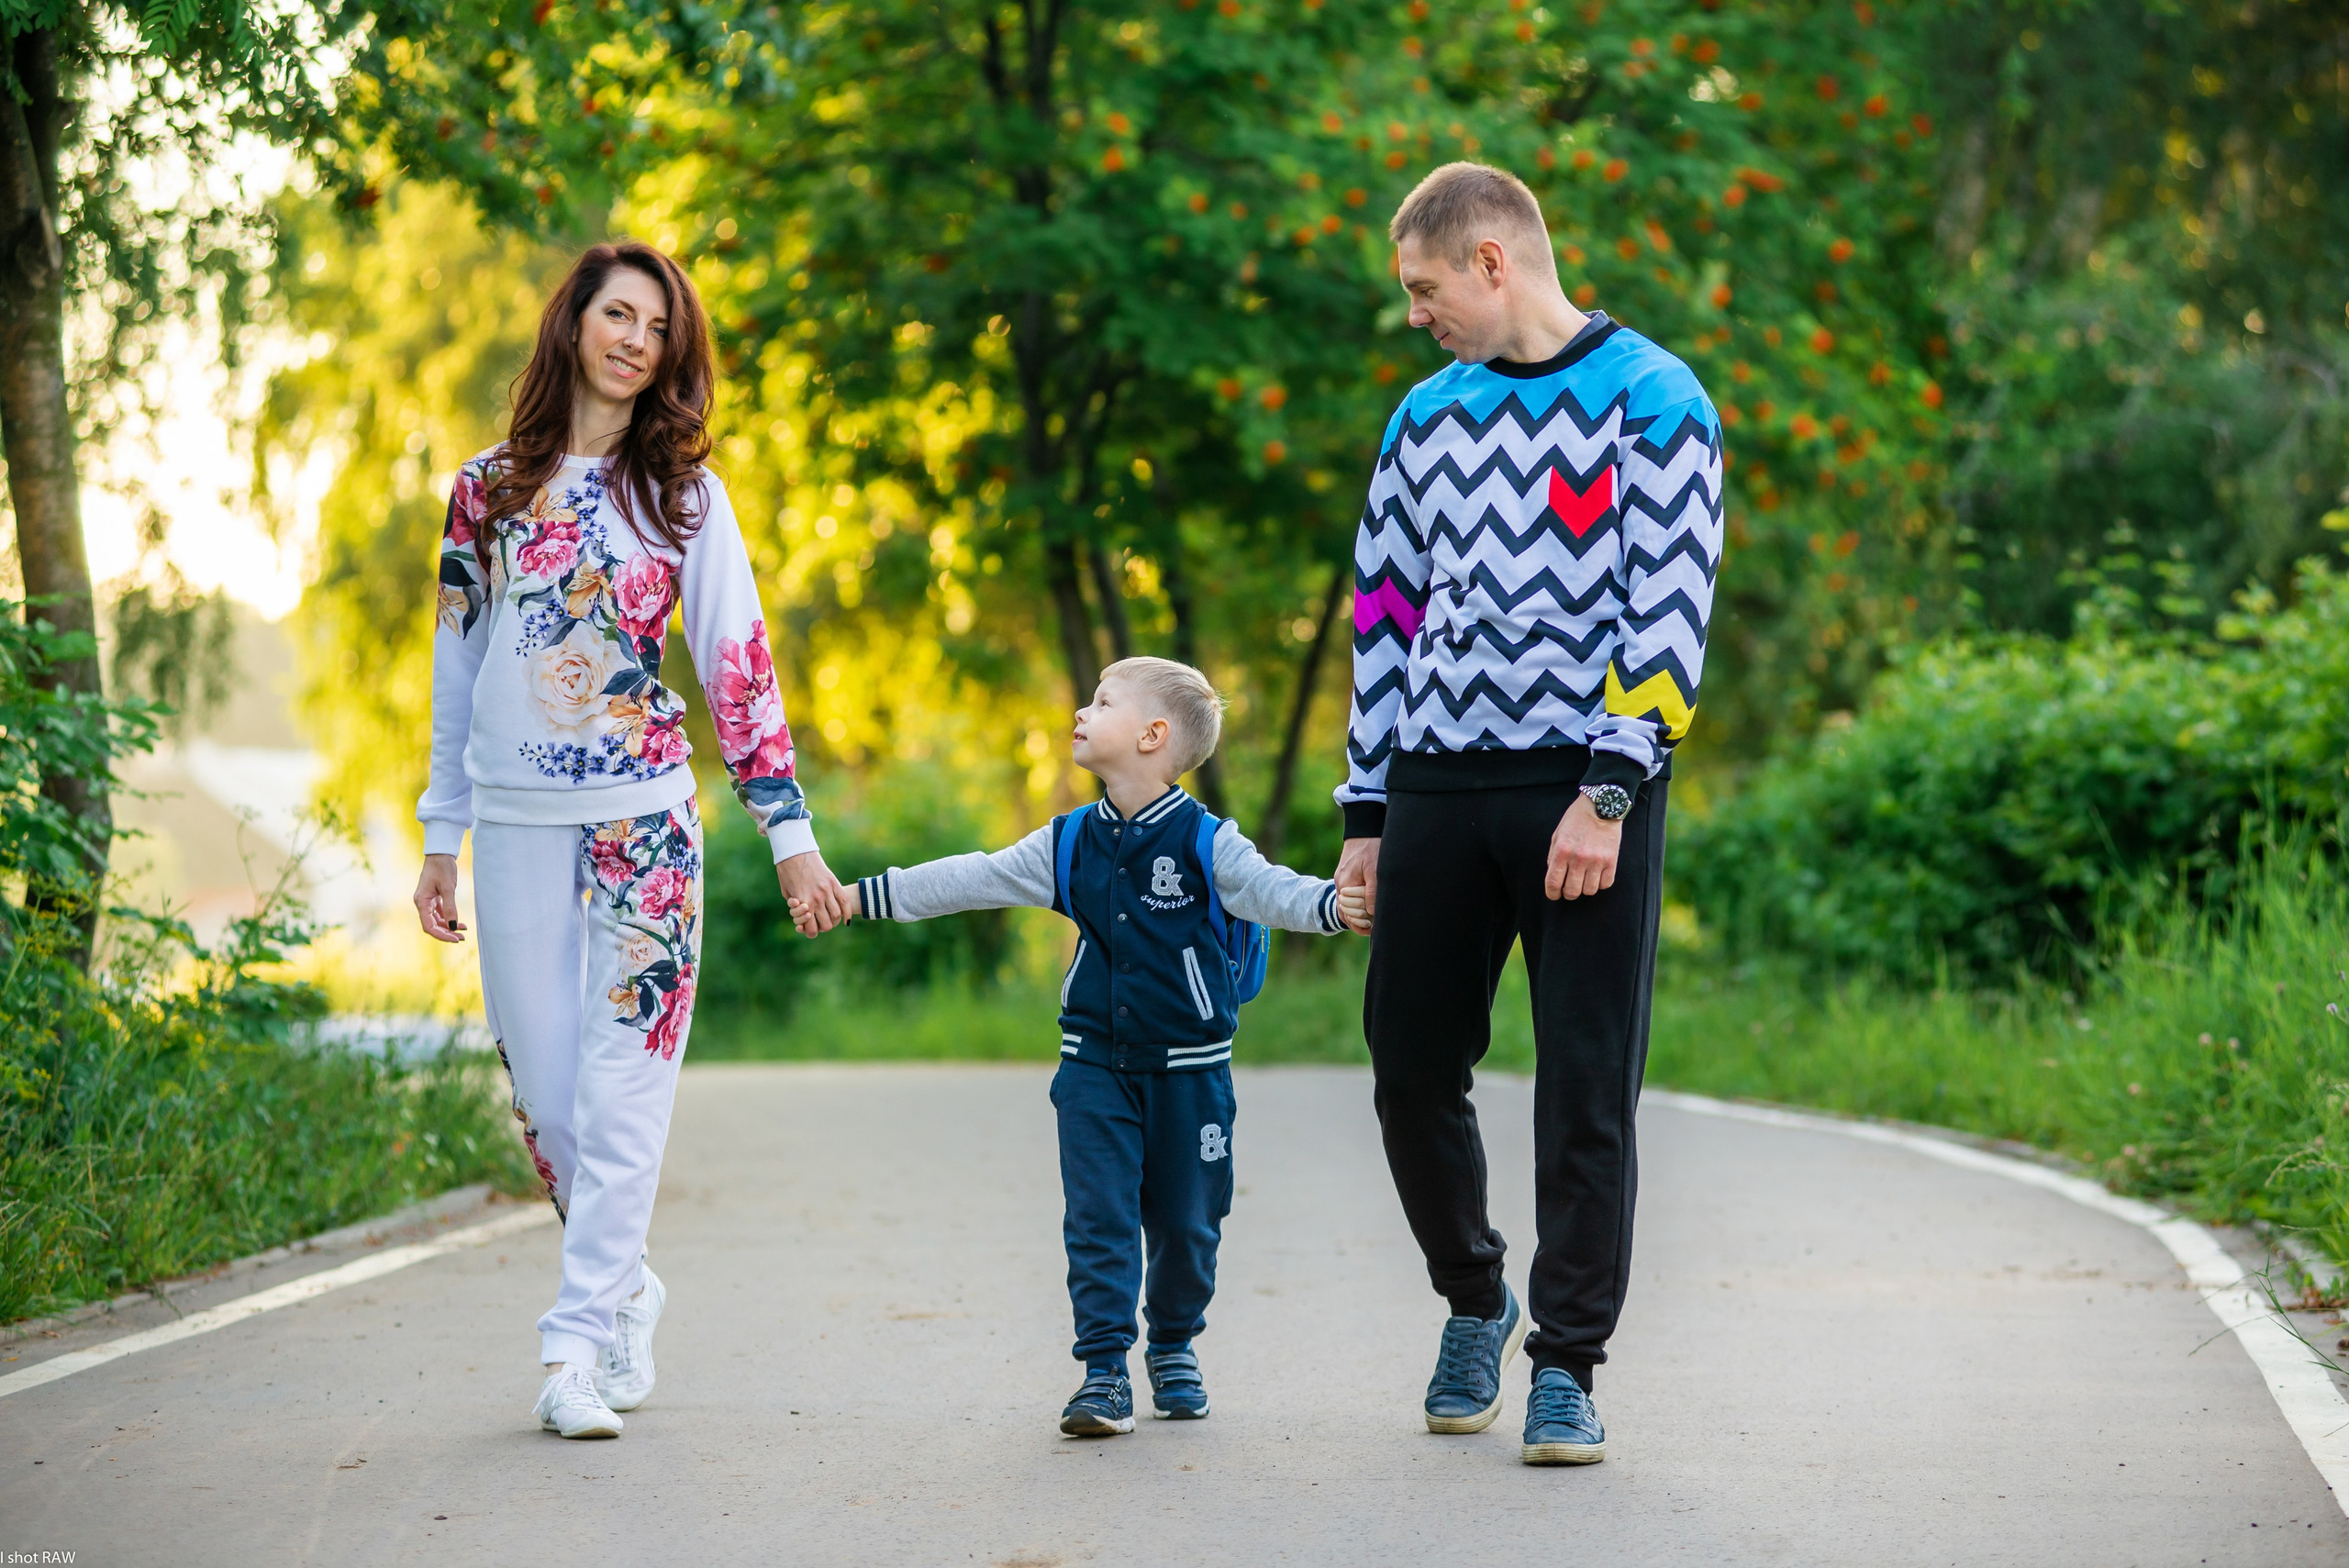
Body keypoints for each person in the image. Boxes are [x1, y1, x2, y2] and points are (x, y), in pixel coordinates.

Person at [411, 239, 853, 1440]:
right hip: (510, 824)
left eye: (657, 329)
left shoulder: (686, 501)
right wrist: (439, 833)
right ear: (574, 325)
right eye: (617, 314)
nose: (634, 340)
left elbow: (738, 665)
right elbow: (456, 676)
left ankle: (574, 1351)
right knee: (550, 1104)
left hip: (645, 821)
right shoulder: (484, 491)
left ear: (672, 356)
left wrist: (790, 831)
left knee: (627, 1095)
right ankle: (627, 1287)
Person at [1330, 162, 1723, 1465]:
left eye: (1423, 289)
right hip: (1439, 778)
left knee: (1586, 1086)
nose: (1415, 315)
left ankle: (1567, 1364)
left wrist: (1610, 790)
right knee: (1407, 1060)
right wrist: (1369, 808)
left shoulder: (1655, 399)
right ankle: (1474, 1294)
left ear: (1492, 261)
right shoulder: (1423, 419)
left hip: (1584, 786)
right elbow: (1382, 617)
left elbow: (1667, 611)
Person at [796, 657, 1349, 1435]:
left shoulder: (1207, 842)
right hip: (1093, 1067)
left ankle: (1175, 1342)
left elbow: (1272, 890)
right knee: (1099, 1217)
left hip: (1191, 1075)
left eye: (1103, 701)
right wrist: (860, 897)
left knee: (1191, 1224)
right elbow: (973, 876)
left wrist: (1333, 904)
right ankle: (1103, 1372)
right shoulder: (1068, 843)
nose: (1082, 713)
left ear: (1154, 735)